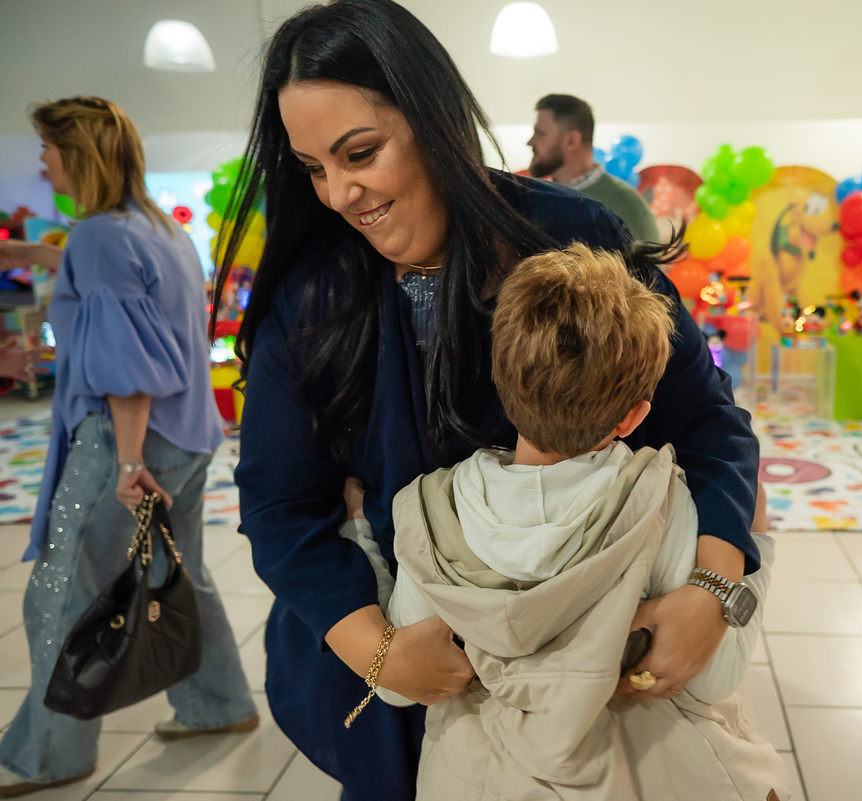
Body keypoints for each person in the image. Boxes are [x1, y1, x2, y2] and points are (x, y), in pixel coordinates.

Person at [220, 2, 760, 799]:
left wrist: (713, 589)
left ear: (433, 116)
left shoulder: (574, 241)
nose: (338, 193)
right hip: (409, 693)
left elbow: (709, 421)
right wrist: (378, 649)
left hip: (591, 693)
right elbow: (278, 507)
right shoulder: (316, 295)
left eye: (360, 152)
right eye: (312, 167)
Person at [340, 243, 787, 799]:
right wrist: (758, 546)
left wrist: (362, 536)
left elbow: (400, 687)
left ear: (502, 389)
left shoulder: (432, 512)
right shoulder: (662, 504)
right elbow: (715, 674)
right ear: (634, 416)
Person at [0, 97, 258, 798]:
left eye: (49, 148)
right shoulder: (152, 229)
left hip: (128, 440)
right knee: (182, 575)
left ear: (77, 154)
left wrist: (128, 462)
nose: (41, 160)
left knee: (61, 589)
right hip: (191, 433)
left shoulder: (98, 239)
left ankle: (52, 752)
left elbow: (128, 366)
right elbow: (116, 299)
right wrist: (25, 252)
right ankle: (219, 703)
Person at [528, 94, 661, 243]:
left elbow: (647, 266)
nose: (530, 142)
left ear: (572, 141)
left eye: (540, 133)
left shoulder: (629, 207)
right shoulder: (537, 200)